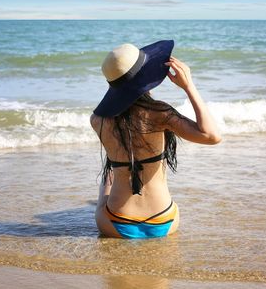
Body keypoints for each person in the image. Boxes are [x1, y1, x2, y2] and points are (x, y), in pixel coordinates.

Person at [90, 40, 221, 239]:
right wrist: (188, 86)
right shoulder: (160, 113)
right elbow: (212, 136)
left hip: (115, 224)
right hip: (164, 221)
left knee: (109, 177)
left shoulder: (97, 120)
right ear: (145, 76)